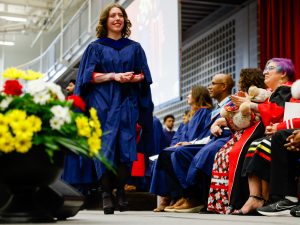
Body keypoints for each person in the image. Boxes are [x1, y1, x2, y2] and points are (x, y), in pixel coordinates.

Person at [74, 3, 153, 215]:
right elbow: (86, 77)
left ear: (125, 20)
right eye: (113, 16)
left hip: (127, 101)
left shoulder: (134, 47)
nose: (117, 18)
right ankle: (106, 194)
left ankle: (121, 192)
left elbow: (144, 75)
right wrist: (113, 76)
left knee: (125, 149)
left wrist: (133, 77)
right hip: (102, 102)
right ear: (105, 21)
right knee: (104, 148)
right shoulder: (95, 47)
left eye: (121, 15)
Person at [150, 74, 233, 212]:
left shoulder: (226, 106)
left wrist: (189, 143)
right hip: (209, 141)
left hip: (221, 141)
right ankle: (178, 196)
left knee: (179, 153)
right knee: (168, 153)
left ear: (223, 86)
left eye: (213, 83)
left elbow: (209, 135)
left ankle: (190, 196)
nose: (210, 87)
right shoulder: (216, 109)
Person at [228, 58, 295, 215]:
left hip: (284, 133)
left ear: (284, 73)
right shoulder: (270, 94)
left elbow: (277, 112)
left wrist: (251, 105)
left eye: (270, 68)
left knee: (261, 145)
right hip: (274, 133)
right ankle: (254, 196)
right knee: (254, 145)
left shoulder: (287, 90)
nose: (265, 72)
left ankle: (266, 198)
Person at [207, 68, 267, 214]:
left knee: (233, 153)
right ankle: (220, 203)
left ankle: (236, 201)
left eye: (241, 80)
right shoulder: (240, 97)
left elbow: (255, 117)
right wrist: (217, 123)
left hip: (254, 132)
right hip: (241, 133)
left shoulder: (261, 95)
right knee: (221, 155)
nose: (239, 83)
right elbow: (231, 116)